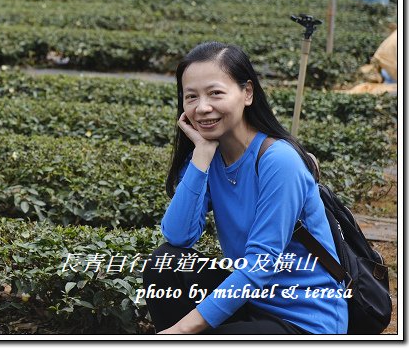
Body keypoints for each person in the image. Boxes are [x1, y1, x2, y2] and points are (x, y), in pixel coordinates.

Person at [144, 41, 348, 334]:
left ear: (247, 93)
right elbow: (178, 236)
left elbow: (260, 264)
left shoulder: (280, 161)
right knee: (166, 264)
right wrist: (201, 154)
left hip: (304, 319)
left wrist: (180, 330)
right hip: (254, 303)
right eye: (191, 97)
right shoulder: (209, 155)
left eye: (215, 93)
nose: (202, 108)